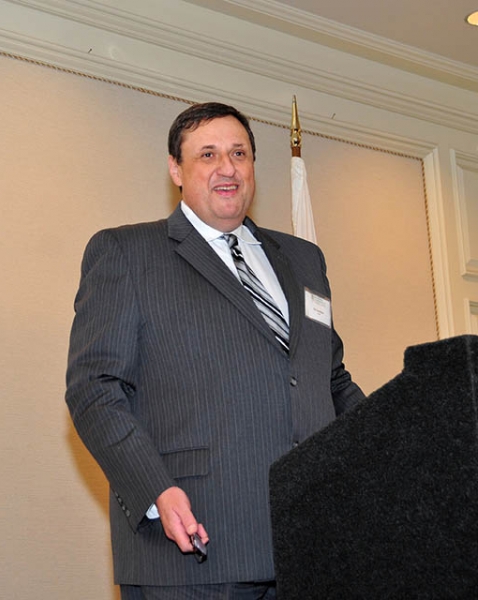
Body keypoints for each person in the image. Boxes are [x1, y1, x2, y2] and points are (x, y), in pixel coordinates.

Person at [65, 102, 365, 600]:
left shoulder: (304, 259)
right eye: (208, 154)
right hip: (194, 548)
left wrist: (395, 444)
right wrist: (156, 490)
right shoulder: (127, 253)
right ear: (176, 169)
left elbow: (330, 380)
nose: (227, 168)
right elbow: (93, 390)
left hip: (312, 545)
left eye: (239, 154)